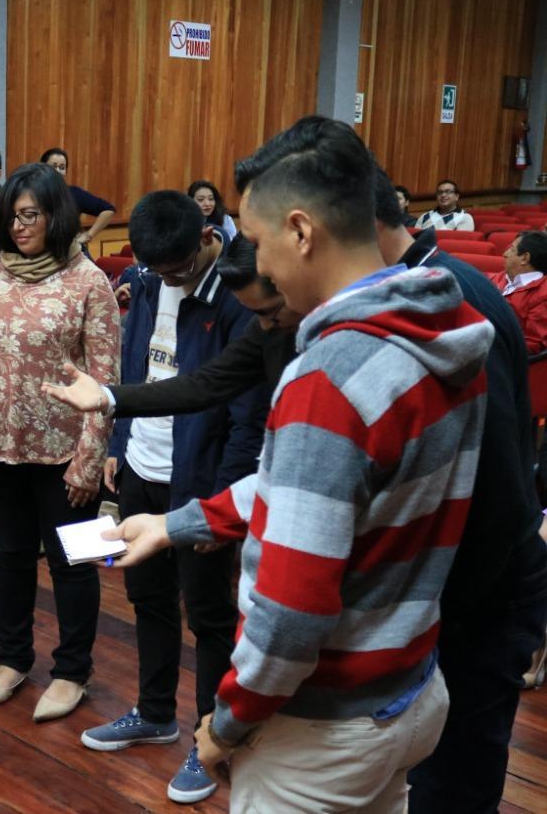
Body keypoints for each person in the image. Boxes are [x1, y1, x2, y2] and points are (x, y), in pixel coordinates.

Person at [110, 116, 494, 811]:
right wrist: (177, 523)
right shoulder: (445, 326)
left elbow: (290, 616)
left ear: (300, 231)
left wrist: (226, 725)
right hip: (407, 691)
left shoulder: (329, 378)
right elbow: (313, 487)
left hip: (324, 728)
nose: (253, 267)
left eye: (254, 243)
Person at [79, 191, 266, 806]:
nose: (170, 278)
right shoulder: (146, 280)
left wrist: (220, 504)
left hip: (200, 479)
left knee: (209, 614)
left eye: (180, 267)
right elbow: (137, 372)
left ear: (208, 236)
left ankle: (208, 741)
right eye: (158, 270)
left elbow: (244, 418)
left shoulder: (237, 296)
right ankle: (155, 712)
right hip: (141, 467)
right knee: (148, 597)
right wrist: (118, 440)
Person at [371, 170, 547, 813]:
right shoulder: (419, 289)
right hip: (450, 590)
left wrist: (436, 610)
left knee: (456, 782)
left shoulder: (453, 298)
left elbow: (500, 488)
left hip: (480, 596)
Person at [0, 163, 120, 722]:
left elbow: (105, 380)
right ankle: (13, 657)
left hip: (67, 452)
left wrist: (90, 460)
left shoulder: (88, 281)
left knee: (75, 563)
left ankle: (72, 672)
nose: (19, 226)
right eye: (12, 216)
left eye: (31, 215)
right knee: (12, 557)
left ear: (56, 216)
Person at [43, 236, 302, 421]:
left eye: (270, 313)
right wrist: (108, 397)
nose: (264, 326)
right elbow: (202, 385)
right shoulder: (268, 328)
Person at [40, 148, 116, 258]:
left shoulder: (74, 193)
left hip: (73, 254)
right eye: (53, 166)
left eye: (62, 167)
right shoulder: (32, 195)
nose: (58, 171)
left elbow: (109, 210)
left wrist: (88, 235)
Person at [491, 230, 547, 354]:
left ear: (525, 258)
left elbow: (532, 344)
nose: (505, 254)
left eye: (512, 250)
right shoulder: (500, 277)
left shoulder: (543, 295)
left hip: (500, 357)